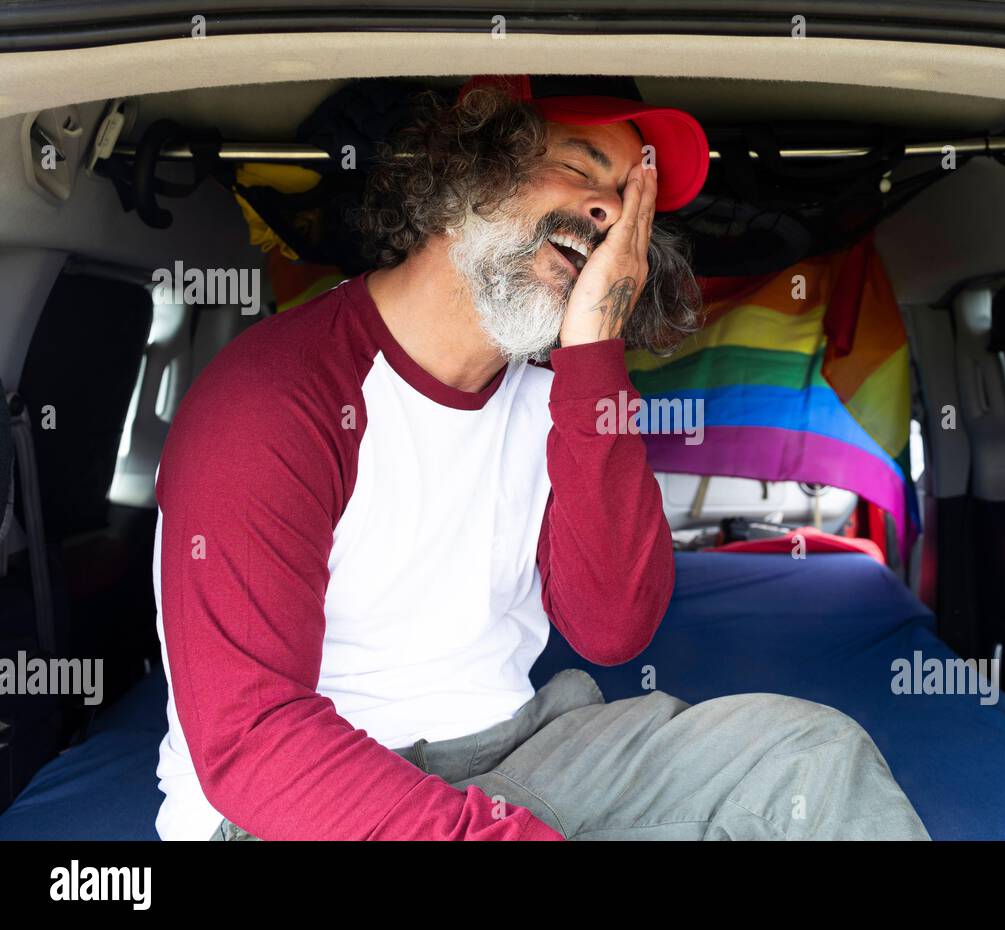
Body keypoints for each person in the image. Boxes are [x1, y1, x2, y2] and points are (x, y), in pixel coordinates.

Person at [153, 73, 928, 841]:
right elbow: (252, 740)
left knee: (813, 760)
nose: (610, 213)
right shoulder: (274, 397)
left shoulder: (557, 396)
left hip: (523, 746)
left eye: (629, 202)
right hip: (296, 803)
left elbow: (612, 630)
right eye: (583, 166)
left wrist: (593, 351)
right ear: (469, 169)